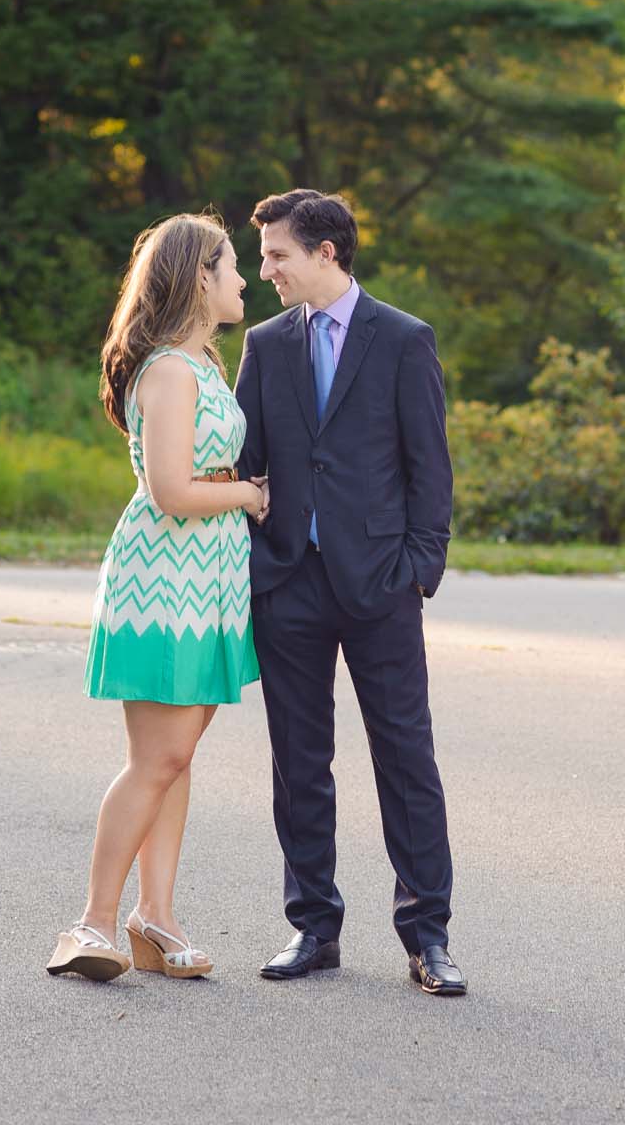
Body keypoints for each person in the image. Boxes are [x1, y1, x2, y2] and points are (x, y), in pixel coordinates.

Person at [235, 188, 466, 996]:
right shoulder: (265, 346)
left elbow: (428, 469)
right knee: (299, 763)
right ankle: (312, 927)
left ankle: (427, 936)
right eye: (260, 257)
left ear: (325, 252)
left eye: (276, 255)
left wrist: (419, 571)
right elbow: (246, 462)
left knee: (406, 758)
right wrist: (263, 566)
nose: (263, 271)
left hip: (381, 588)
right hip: (290, 585)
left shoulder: (404, 340)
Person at [47, 213, 267, 983]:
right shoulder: (172, 370)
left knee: (175, 759)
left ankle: (156, 919)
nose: (244, 282)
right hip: (162, 582)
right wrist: (247, 492)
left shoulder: (201, 361)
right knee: (157, 758)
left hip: (206, 583)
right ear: (199, 277)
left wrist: (234, 493)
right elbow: (171, 491)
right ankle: (93, 924)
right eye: (233, 267)